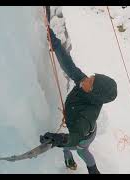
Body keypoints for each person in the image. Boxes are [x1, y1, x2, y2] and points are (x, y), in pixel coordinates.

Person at [40, 28, 117, 174]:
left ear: (95, 93)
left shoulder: (88, 114)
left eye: (92, 81)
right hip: (84, 130)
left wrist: (59, 139)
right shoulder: (85, 84)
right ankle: (71, 160)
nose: (87, 78)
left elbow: (76, 137)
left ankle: (91, 170)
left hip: (84, 136)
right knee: (70, 147)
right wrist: (54, 42)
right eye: (93, 76)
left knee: (81, 151)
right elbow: (69, 65)